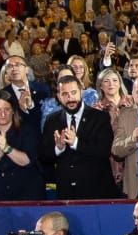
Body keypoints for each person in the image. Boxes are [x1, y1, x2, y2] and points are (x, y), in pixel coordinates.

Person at [40, 73, 117, 201]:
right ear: (58, 96)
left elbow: (104, 150)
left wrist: (76, 143)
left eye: (73, 92)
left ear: (81, 92)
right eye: (65, 94)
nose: (70, 98)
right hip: (66, 193)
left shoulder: (100, 117)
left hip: (96, 192)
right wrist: (58, 148)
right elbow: (43, 156)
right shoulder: (52, 120)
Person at [0, 95, 44, 200]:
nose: (3, 114)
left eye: (7, 109)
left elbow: (27, 160)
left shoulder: (27, 131)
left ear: (13, 111)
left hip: (26, 192)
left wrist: (7, 149)